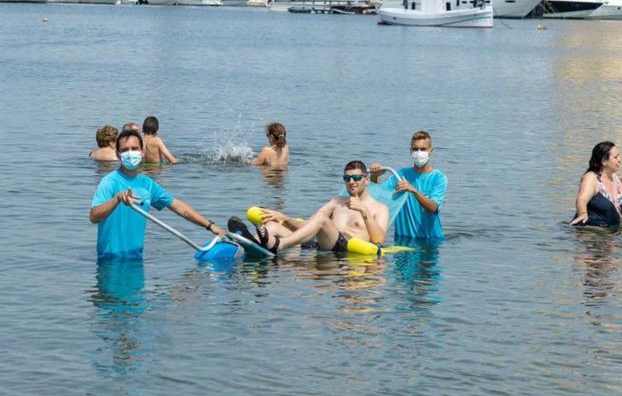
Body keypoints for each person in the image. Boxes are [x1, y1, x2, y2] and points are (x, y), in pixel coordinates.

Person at [89, 130, 223, 259]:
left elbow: (178, 207)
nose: (130, 153)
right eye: (125, 150)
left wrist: (210, 226)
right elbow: (94, 216)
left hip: (136, 260)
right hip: (109, 261)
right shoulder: (109, 182)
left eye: (135, 149)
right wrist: (117, 199)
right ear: (118, 155)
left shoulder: (148, 184)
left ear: (142, 152)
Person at [229, 160, 389, 253]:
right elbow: (309, 225)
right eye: (347, 178)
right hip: (321, 245)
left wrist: (363, 210)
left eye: (356, 177)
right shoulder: (337, 201)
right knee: (273, 225)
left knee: (323, 219)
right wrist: (284, 219)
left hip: (347, 250)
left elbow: (379, 240)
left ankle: (280, 244)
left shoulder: (379, 209)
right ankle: (247, 244)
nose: (351, 182)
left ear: (366, 180)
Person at [370, 130, 447, 240]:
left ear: (430, 151)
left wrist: (413, 190)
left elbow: (433, 207)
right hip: (402, 240)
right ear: (410, 151)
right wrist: (374, 176)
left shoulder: (439, 178)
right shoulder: (400, 175)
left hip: (430, 241)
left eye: (423, 149)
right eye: (415, 149)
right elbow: (376, 197)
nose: (419, 152)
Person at [570, 141, 622, 227]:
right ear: (604, 161)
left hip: (610, 235)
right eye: (616, 157)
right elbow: (582, 199)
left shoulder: (615, 179)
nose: (620, 160)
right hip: (590, 233)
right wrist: (582, 213)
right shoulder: (591, 178)